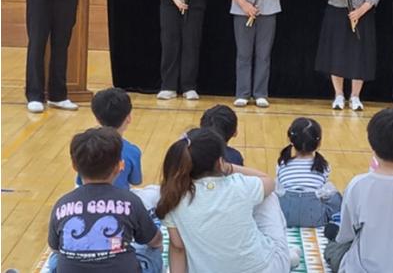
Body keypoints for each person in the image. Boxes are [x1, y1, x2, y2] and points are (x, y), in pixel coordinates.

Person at [156, 127, 299, 273]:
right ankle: (287, 258)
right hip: (266, 268)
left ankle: (286, 258)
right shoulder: (239, 184)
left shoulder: (173, 196)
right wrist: (230, 168)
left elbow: (178, 247)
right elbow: (269, 182)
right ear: (220, 162)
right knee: (268, 196)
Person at [324, 108, 393, 273]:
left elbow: (346, 235)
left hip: (363, 269)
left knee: (335, 247)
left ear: (372, 143)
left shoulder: (357, 185)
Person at [48, 127, 162, 272]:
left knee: (55, 258)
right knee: (152, 252)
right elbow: (154, 240)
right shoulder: (130, 201)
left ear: (74, 166)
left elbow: (54, 247)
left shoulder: (62, 204)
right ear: (119, 166)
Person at [276, 117, 342, 227]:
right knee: (334, 194)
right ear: (318, 143)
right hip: (314, 218)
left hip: (285, 217)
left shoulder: (282, 164)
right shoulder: (323, 166)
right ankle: (336, 222)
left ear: (291, 140)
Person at [75, 87, 142, 190]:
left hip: (88, 196)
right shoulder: (133, 151)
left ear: (97, 119)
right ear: (128, 118)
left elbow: (80, 181)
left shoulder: (86, 146)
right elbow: (136, 181)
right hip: (120, 197)